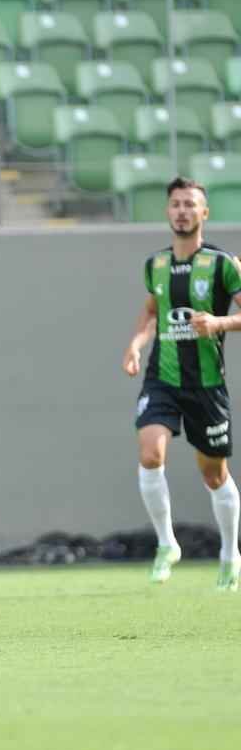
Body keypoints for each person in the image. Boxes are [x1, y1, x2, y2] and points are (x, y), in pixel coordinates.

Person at [123, 176, 241, 591]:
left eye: (190, 204)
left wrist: (220, 322)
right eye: (176, 204)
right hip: (163, 378)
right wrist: (136, 345)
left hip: (207, 386)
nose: (182, 211)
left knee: (213, 474)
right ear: (167, 211)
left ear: (204, 213)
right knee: (151, 453)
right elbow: (152, 312)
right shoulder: (154, 265)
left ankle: (230, 554)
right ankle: (166, 543)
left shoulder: (223, 264)